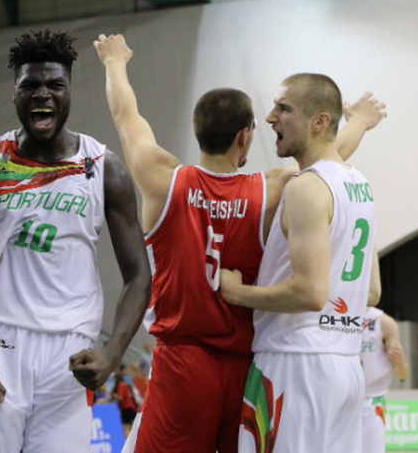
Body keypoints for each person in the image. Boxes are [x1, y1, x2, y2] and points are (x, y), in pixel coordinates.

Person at [93, 35, 385, 453]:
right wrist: (356, 122)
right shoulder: (273, 189)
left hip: (183, 362)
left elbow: (126, 116)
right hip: (245, 366)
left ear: (198, 132)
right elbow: (327, 159)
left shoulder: (164, 180)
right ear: (244, 139)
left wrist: (115, 64)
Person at [0, 29, 151, 453]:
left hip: (71, 350)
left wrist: (113, 351)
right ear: (14, 93)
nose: (41, 94)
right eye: (29, 85)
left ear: (69, 92)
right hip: (0, 343)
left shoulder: (104, 168)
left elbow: (139, 275)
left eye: (54, 85)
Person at [219, 73, 383, 453]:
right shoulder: (359, 184)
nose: (271, 116)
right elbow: (370, 291)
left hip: (294, 365)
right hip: (345, 366)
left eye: (284, 108)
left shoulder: (306, 186)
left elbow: (310, 292)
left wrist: (236, 292)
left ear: (320, 122)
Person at [360, 308, 409, 453]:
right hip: (342, 399)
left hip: (372, 401)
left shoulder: (383, 321)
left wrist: (399, 361)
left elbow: (402, 374)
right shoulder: (334, 314)